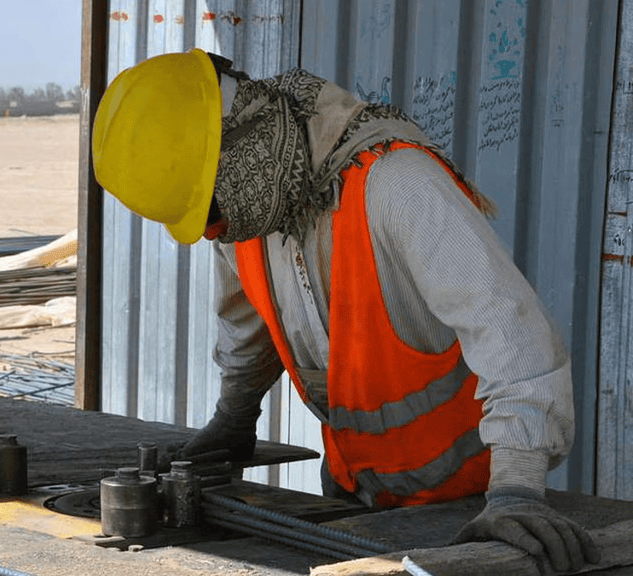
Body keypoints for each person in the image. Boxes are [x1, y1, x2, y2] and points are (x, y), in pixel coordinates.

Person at [92, 49, 600, 574]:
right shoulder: (250, 207)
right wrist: (234, 418)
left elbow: (514, 335)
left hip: (476, 508)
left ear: (237, 150)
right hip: (358, 496)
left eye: (210, 212)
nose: (211, 232)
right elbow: (248, 323)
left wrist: (517, 489)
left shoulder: (397, 182)